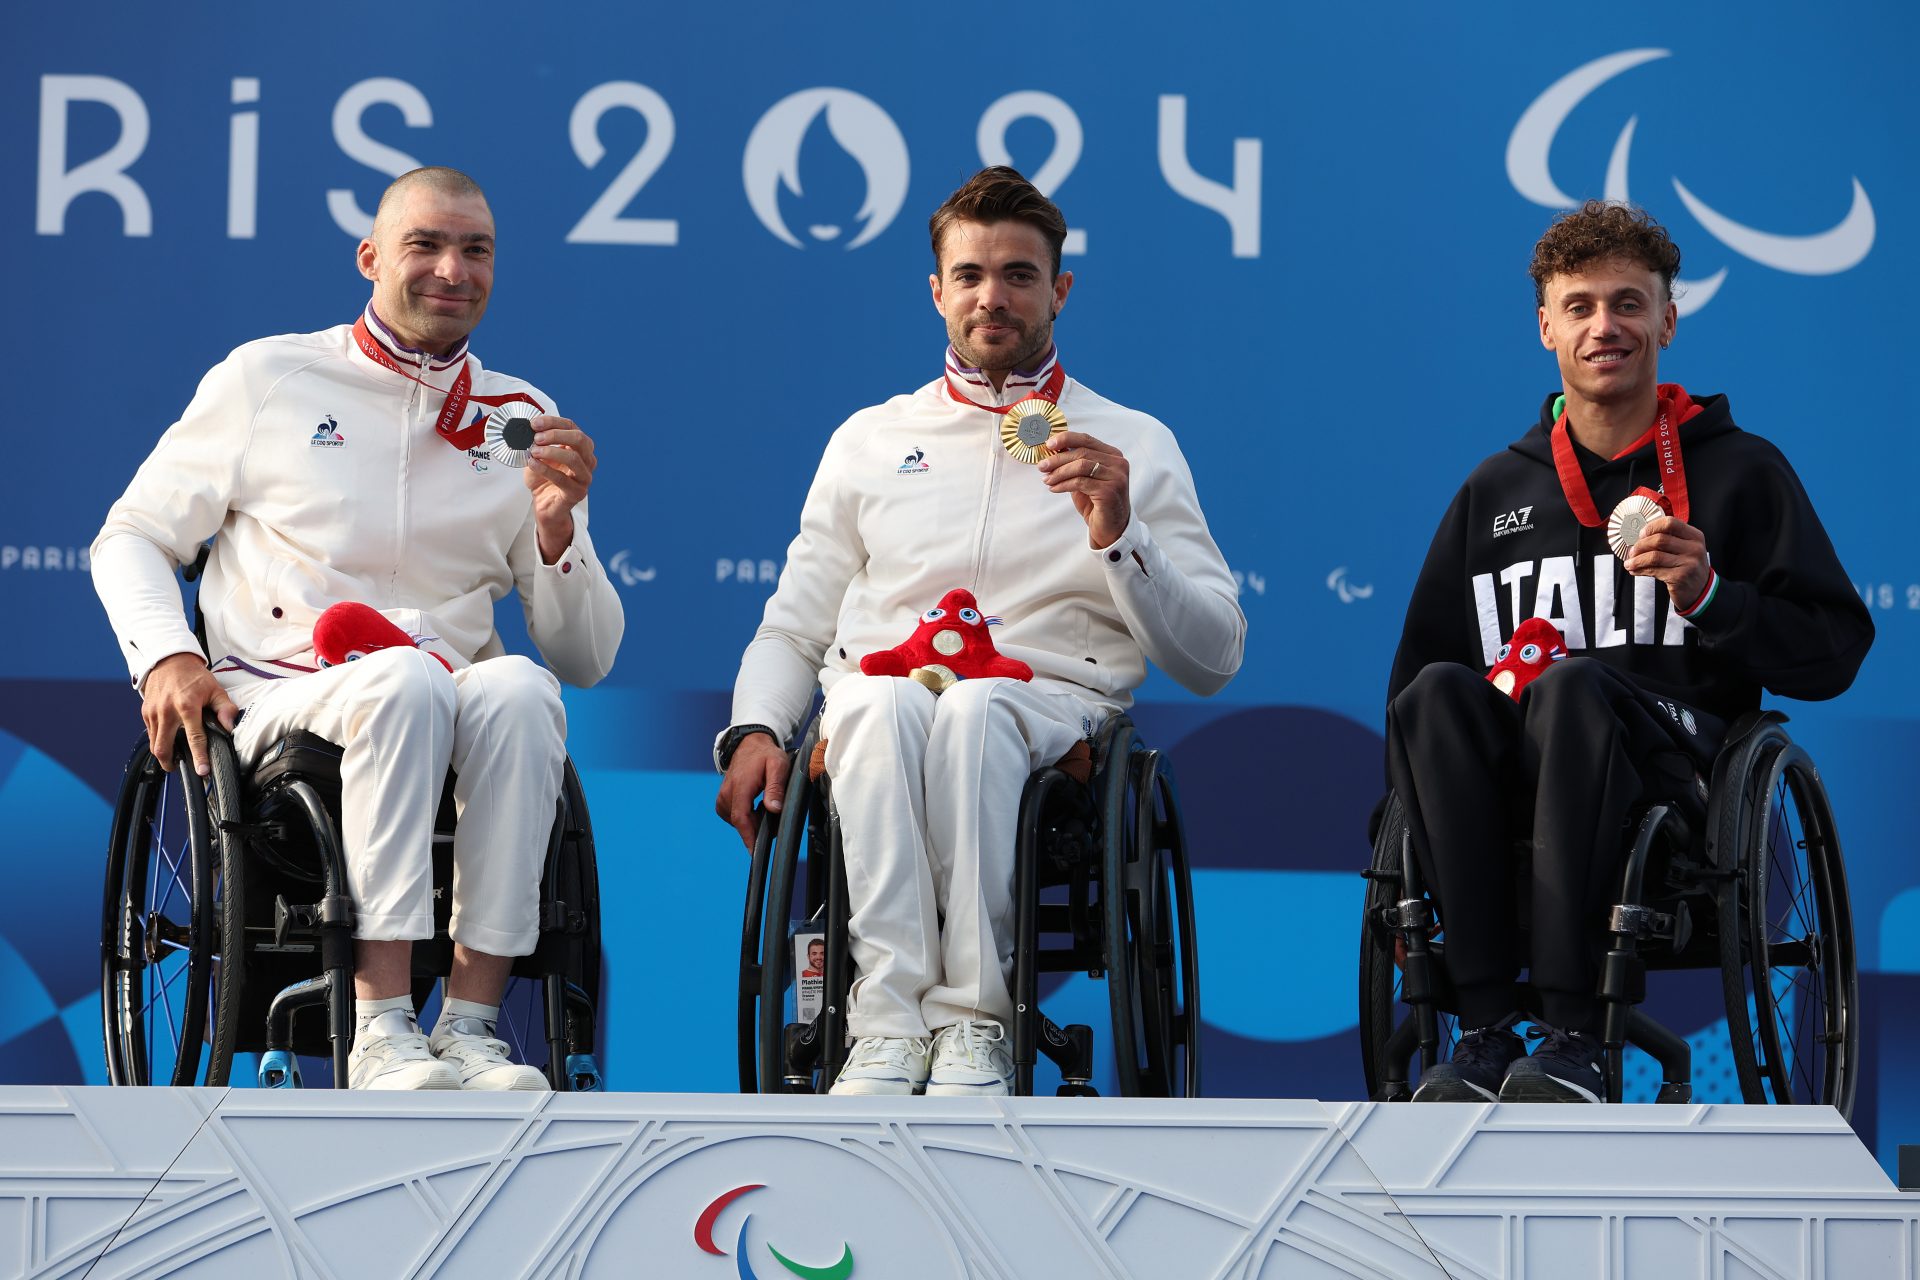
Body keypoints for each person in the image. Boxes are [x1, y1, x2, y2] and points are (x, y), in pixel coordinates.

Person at [714, 167, 1244, 1097]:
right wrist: (757, 729)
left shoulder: (1133, 443)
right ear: (937, 291)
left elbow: (1214, 658)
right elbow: (794, 624)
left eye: (1018, 274)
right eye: (969, 275)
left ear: (1059, 290)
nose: (991, 296)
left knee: (980, 707)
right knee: (873, 706)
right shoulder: (872, 437)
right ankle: (884, 1024)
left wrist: (1121, 531)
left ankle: (974, 1024)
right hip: (888, 697)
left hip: (1048, 709)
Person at [92, 166, 624, 1092]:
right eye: (425, 245)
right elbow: (131, 534)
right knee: (406, 683)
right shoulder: (272, 378)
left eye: (475, 250)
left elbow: (584, 655)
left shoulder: (521, 418)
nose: (452, 269)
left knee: (523, 688)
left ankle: (469, 1026)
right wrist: (166, 657)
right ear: (371, 258)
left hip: (442, 700)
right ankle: (379, 1026)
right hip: (278, 697)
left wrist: (555, 531)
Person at [1384, 200, 1872, 1103]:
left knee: (1571, 687)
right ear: (1545, 327)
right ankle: (1486, 1033)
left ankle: (1575, 1036)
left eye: (1627, 303)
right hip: (1516, 795)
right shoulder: (1495, 489)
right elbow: (1420, 677)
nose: (1604, 326)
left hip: (1673, 783)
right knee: (1435, 698)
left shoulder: (1740, 470)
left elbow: (1835, 650)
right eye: (1579, 307)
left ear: (1667, 320)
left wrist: (1714, 597)